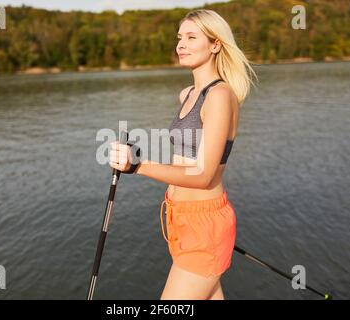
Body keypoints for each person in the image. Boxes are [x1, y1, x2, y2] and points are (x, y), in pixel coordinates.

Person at [109, 9, 257, 300]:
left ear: (215, 45)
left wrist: (137, 165)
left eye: (191, 37)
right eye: (179, 37)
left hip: (206, 228)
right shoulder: (187, 93)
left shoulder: (219, 96)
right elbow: (184, 159)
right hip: (180, 221)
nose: (181, 44)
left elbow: (203, 175)